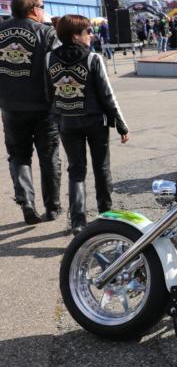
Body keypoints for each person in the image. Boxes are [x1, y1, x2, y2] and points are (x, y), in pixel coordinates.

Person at [47, 15, 129, 234]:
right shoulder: (93, 58)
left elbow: (49, 94)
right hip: (94, 121)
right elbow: (107, 95)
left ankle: (78, 222)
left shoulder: (49, 58)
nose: (91, 36)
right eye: (87, 32)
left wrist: (56, 117)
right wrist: (120, 124)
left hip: (67, 121)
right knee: (101, 168)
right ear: (75, 36)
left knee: (76, 171)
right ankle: (106, 215)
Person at [0, 0, 62, 224]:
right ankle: (52, 207)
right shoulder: (46, 32)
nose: (44, 10)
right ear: (34, 9)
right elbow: (60, 66)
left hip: (10, 106)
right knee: (49, 157)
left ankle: (26, 200)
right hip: (43, 107)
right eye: (42, 6)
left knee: (18, 156)